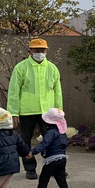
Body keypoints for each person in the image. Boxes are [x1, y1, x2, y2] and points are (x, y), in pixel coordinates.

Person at [7, 38, 63, 180]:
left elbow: (57, 92)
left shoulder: (52, 68)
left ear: (46, 51)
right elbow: (14, 92)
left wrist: (59, 112)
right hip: (27, 111)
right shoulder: (21, 68)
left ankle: (55, 166)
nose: (40, 53)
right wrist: (13, 113)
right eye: (37, 50)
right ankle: (30, 168)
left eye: (42, 50)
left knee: (52, 140)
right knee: (25, 141)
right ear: (29, 51)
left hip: (48, 112)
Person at [23, 108, 69, 188]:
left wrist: (33, 152)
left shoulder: (51, 132)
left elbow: (44, 144)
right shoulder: (62, 132)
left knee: (43, 179)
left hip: (52, 160)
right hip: (62, 159)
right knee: (61, 179)